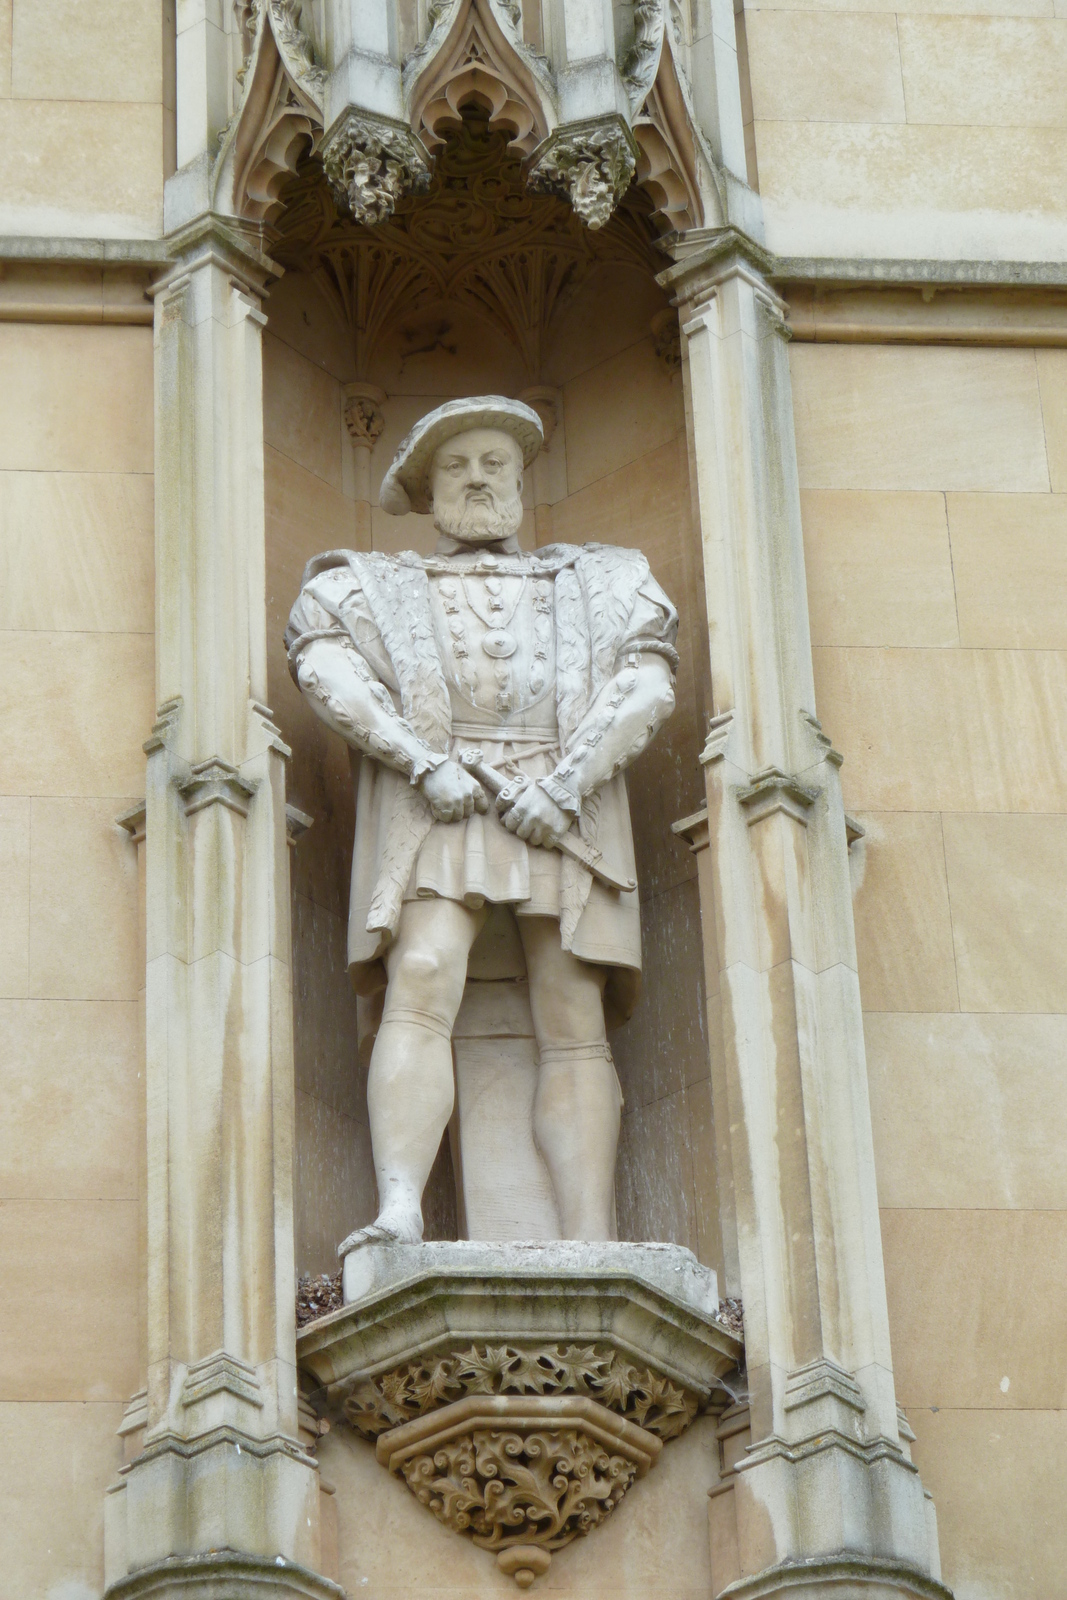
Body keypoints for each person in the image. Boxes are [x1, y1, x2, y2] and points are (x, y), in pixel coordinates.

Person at [285, 396, 678, 1252]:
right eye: (458, 466)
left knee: (571, 1005)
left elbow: (647, 683)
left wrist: (567, 785)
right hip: (438, 801)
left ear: (521, 480)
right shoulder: (366, 584)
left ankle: (590, 1237)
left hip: (564, 806)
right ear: (426, 489)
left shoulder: (603, 578)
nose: (477, 479)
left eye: (494, 463)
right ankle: (400, 1209)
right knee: (421, 972)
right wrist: (423, 762)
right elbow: (324, 667)